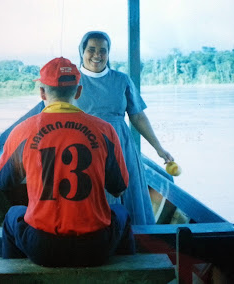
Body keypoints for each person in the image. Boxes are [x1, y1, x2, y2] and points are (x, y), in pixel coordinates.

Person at [0, 57, 135, 267]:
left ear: (42, 93)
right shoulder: (105, 130)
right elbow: (119, 188)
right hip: (96, 247)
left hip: (43, 248)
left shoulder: (23, 131)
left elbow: (1, 182)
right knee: (121, 213)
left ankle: (14, 275)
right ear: (78, 91)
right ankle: (129, 275)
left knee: (13, 214)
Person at [74, 31, 174, 225]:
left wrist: (160, 149)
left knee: (128, 196)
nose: (97, 55)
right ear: (82, 52)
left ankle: (132, 238)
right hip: (84, 149)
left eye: (103, 50)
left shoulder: (121, 80)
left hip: (120, 145)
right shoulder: (72, 80)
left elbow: (138, 116)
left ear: (108, 53)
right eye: (91, 49)